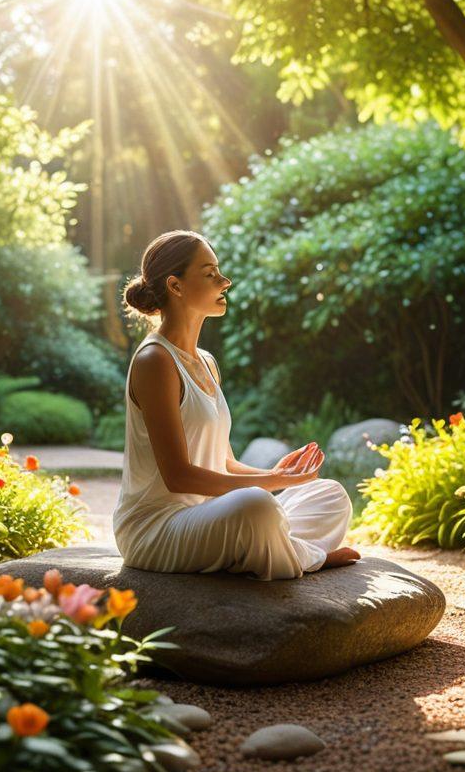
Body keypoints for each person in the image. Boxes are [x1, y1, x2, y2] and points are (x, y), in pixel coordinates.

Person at [113, 229, 361, 580]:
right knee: (256, 506)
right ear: (176, 286)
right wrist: (270, 482)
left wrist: (283, 477)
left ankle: (281, 552)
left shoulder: (206, 362)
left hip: (209, 516)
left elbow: (223, 462)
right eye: (210, 273)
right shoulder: (155, 360)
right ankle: (308, 557)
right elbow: (178, 475)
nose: (224, 281)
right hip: (156, 529)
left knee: (330, 494)